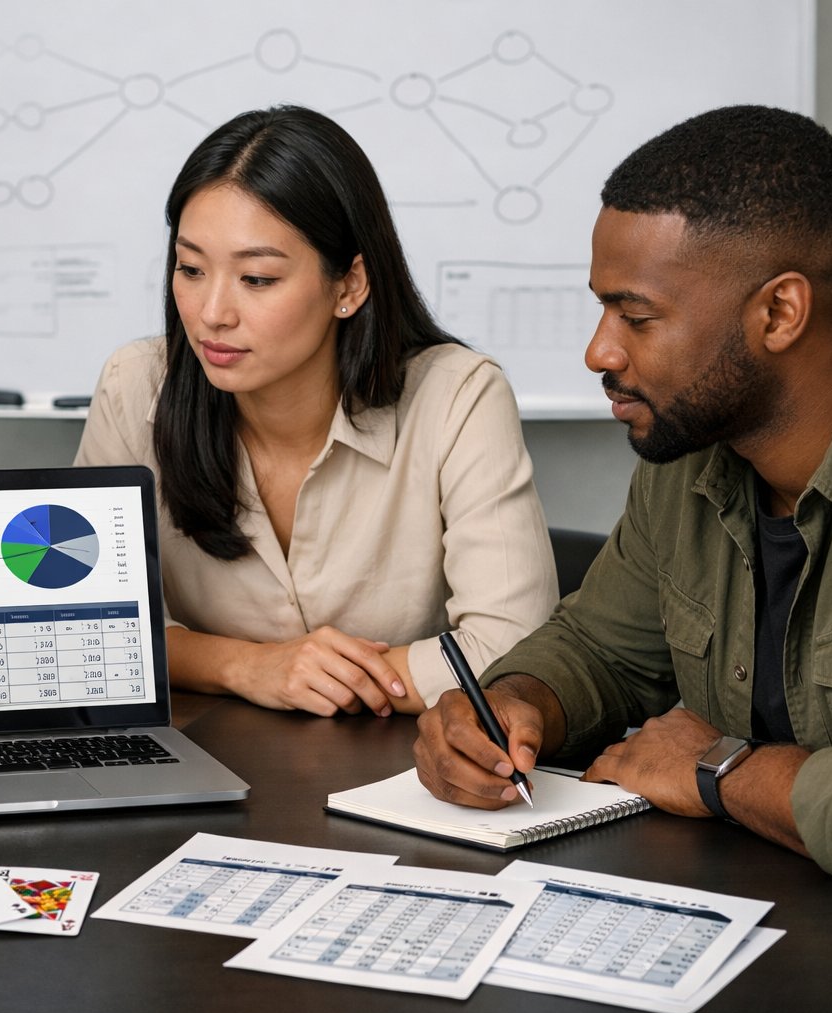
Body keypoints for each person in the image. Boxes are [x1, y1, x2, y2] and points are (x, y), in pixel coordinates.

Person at [413, 105, 832, 908]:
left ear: (779, 312)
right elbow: (604, 648)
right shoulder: (698, 440)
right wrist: (512, 705)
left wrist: (723, 769)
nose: (599, 352)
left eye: (636, 317)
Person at [76, 105, 558, 718]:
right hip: (212, 760)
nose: (212, 312)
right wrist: (250, 666)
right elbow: (91, 638)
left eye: (256, 279)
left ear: (349, 286)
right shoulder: (135, 386)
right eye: (191, 269)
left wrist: (312, 676)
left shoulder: (458, 396)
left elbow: (513, 647)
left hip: (402, 779)